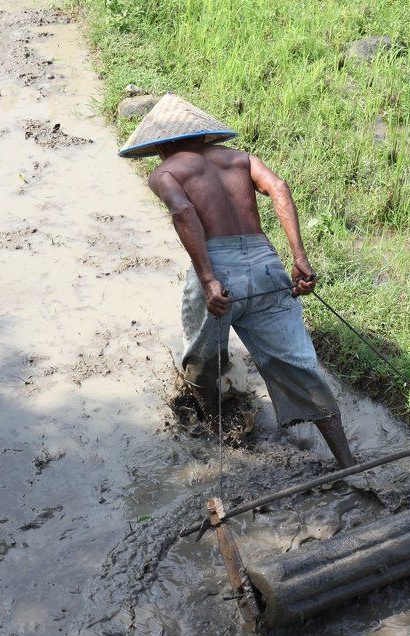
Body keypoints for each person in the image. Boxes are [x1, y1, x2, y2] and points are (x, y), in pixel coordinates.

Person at [118, 94, 356, 468]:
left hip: (218, 269)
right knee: (297, 364)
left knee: (203, 359)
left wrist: (210, 279)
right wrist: (299, 259)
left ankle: (222, 445)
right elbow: (279, 188)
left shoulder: (165, 173)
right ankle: (347, 460)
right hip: (267, 266)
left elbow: (183, 211)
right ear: (204, 135)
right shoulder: (240, 159)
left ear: (160, 144)